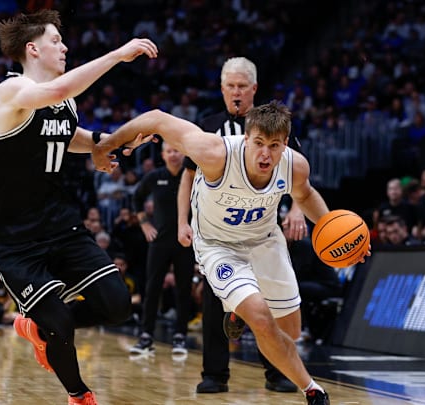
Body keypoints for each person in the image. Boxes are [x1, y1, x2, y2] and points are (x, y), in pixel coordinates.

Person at [93, 101, 366, 405]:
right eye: (259, 143)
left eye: (274, 146)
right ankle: (314, 391)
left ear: (285, 144)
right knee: (262, 319)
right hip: (218, 246)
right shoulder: (215, 153)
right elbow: (157, 119)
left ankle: (237, 309)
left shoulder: (295, 165)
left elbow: (305, 194)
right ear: (246, 138)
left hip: (264, 241)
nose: (265, 153)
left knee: (291, 331)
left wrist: (337, 232)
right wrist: (107, 144)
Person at [0, 10, 157, 405]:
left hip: (58, 222)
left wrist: (99, 142)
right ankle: (79, 395)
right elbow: (54, 96)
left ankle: (36, 328)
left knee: (117, 306)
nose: (65, 47)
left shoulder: (63, 101)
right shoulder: (10, 92)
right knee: (59, 323)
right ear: (32, 49)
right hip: (11, 236)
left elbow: (63, 132)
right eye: (56, 41)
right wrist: (117, 55)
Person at [177, 57, 305, 394]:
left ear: (254, 90)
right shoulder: (207, 127)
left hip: (259, 228)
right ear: (221, 89)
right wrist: (182, 221)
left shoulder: (273, 126)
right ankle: (215, 374)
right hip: (217, 232)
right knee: (211, 300)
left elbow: (298, 176)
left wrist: (295, 211)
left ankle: (277, 372)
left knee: (271, 302)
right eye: (230, 86)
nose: (236, 92)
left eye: (241, 87)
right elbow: (187, 177)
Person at [129, 141, 195, 356]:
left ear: (183, 152)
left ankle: (180, 336)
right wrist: (144, 223)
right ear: (163, 154)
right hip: (160, 242)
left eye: (177, 150)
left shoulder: (191, 175)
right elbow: (136, 198)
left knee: (184, 289)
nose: (173, 155)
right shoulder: (155, 176)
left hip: (186, 242)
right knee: (152, 288)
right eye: (169, 151)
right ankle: (146, 336)